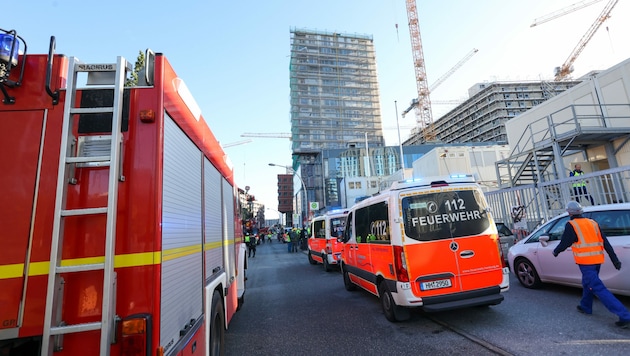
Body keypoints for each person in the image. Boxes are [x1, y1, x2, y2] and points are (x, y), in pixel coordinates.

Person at [552, 201, 630, 328]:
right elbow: (605, 242)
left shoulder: (571, 225)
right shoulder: (593, 223)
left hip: (585, 262)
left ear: (569, 212)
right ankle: (585, 306)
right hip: (597, 260)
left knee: (598, 288)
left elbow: (565, 242)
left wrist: (556, 251)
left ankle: (625, 316)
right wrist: (614, 259)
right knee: (587, 283)